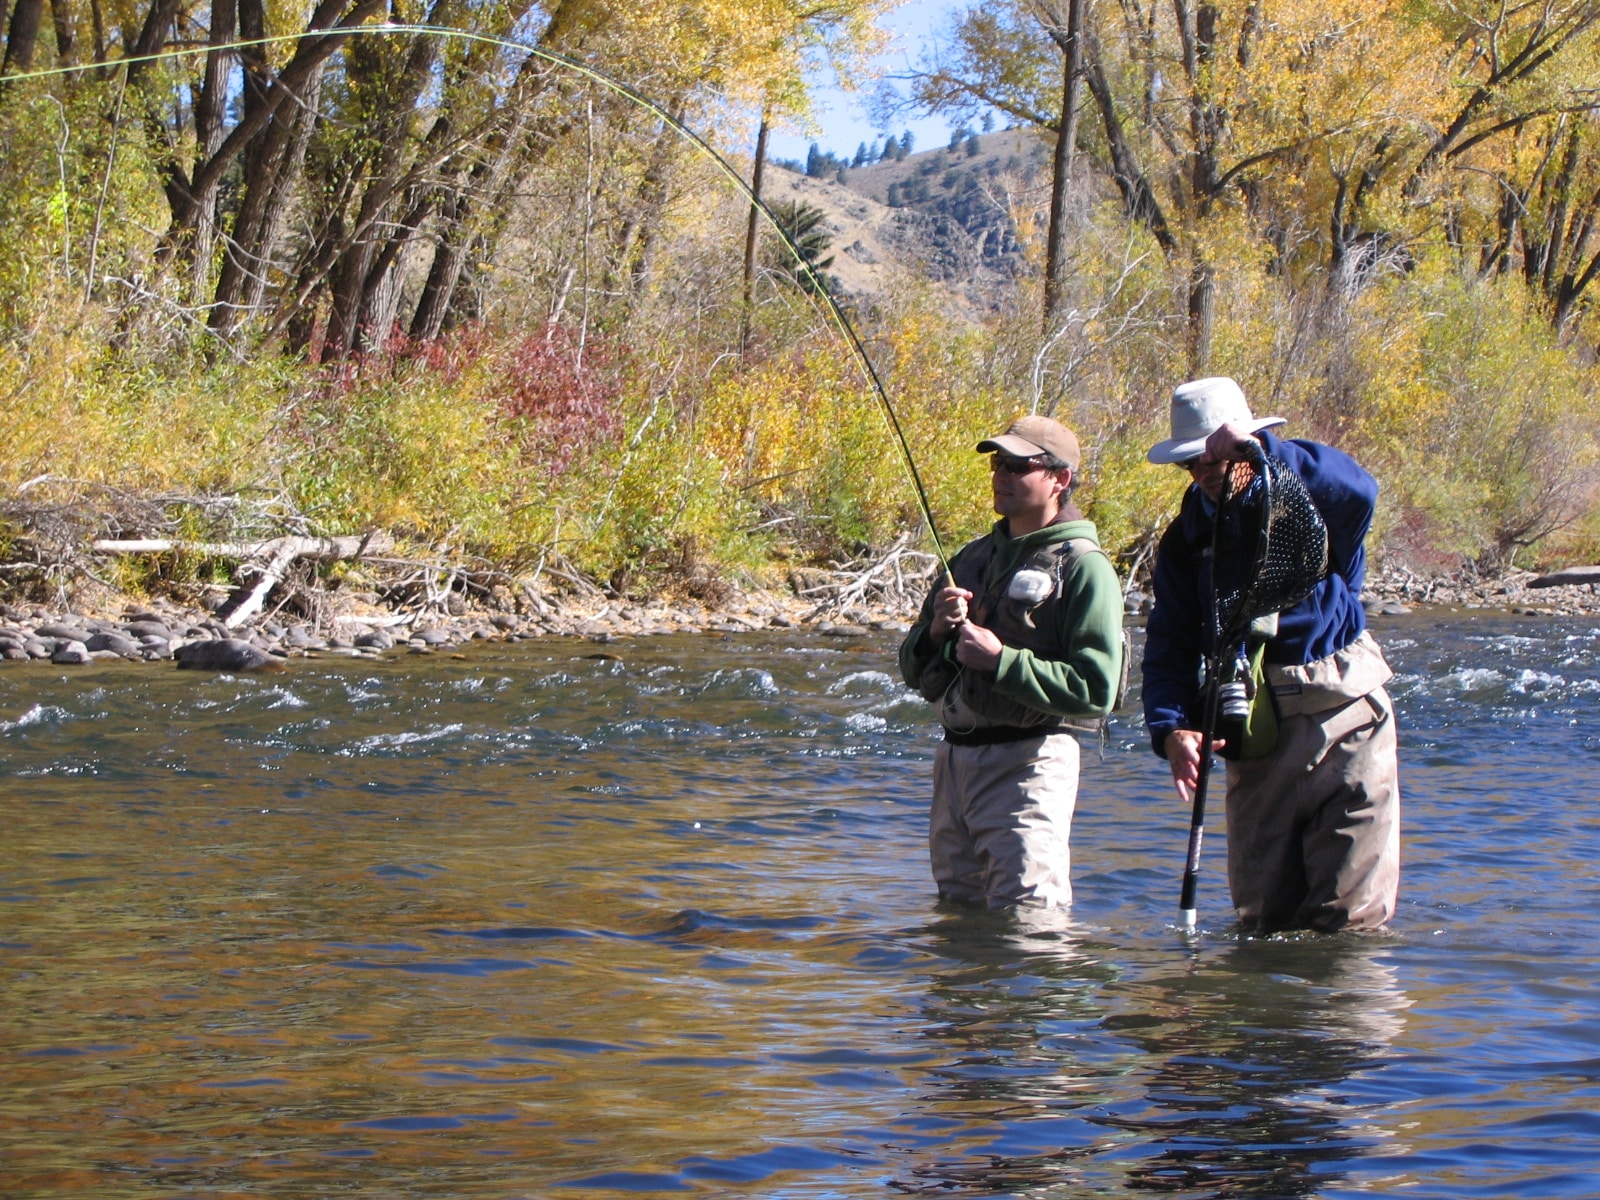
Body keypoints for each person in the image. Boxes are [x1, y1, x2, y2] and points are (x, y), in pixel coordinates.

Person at [1142, 377, 1400, 932]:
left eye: (1216, 458)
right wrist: (1171, 728)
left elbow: (1361, 491)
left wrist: (1264, 452)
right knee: (1264, 923)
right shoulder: (1185, 541)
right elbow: (1170, 642)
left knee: (1347, 926)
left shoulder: (1314, 498)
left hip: (1346, 720)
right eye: (1194, 464)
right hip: (1255, 729)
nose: (1207, 474)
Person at [898, 415, 1125, 908]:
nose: (1001, 475)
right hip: (954, 763)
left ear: (1059, 479)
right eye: (998, 464)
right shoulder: (971, 557)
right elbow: (913, 672)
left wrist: (1001, 660)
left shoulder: (1086, 566)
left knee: (1030, 920)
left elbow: (1097, 690)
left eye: (1018, 466)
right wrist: (935, 630)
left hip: (1031, 764)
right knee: (957, 916)